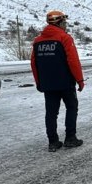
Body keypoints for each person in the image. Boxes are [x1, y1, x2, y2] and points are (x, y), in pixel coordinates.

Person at [31, 10, 85, 152]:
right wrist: (80, 80)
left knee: (51, 113)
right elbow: (73, 61)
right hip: (65, 82)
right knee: (72, 108)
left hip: (48, 84)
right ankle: (70, 138)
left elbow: (34, 64)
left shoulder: (37, 41)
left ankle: (53, 142)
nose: (65, 25)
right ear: (60, 22)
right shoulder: (64, 38)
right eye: (64, 22)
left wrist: (39, 82)